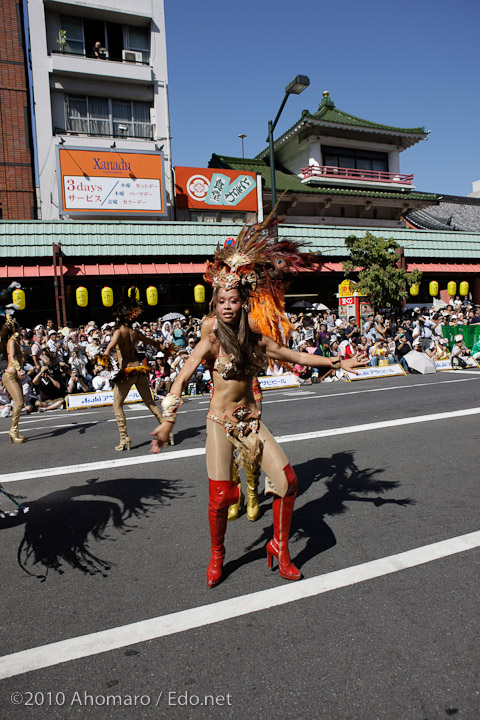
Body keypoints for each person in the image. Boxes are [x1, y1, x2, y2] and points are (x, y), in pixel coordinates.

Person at [150, 212, 367, 588]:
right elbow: (181, 377)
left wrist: (337, 360)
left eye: (233, 301)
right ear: (215, 304)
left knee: (288, 482)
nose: (227, 307)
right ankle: (218, 555)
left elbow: (294, 356)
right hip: (220, 423)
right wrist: (167, 421)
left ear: (243, 302)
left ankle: (279, 548)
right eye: (221, 302)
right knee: (219, 498)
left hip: (251, 422)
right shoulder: (212, 338)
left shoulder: (256, 338)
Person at [103, 288, 173, 451]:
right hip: (140, 371)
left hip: (127, 372)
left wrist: (102, 365)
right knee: (150, 403)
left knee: (117, 405)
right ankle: (167, 434)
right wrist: (165, 348)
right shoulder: (135, 333)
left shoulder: (118, 332)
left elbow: (107, 351)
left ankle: (124, 438)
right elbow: (155, 344)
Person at [1, 315, 26, 443]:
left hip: (15, 376)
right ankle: (13, 430)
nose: (21, 330)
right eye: (19, 327)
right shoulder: (11, 341)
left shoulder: (15, 341)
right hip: (10, 375)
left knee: (20, 403)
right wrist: (19, 369)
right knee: (19, 402)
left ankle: (15, 430)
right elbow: (12, 358)